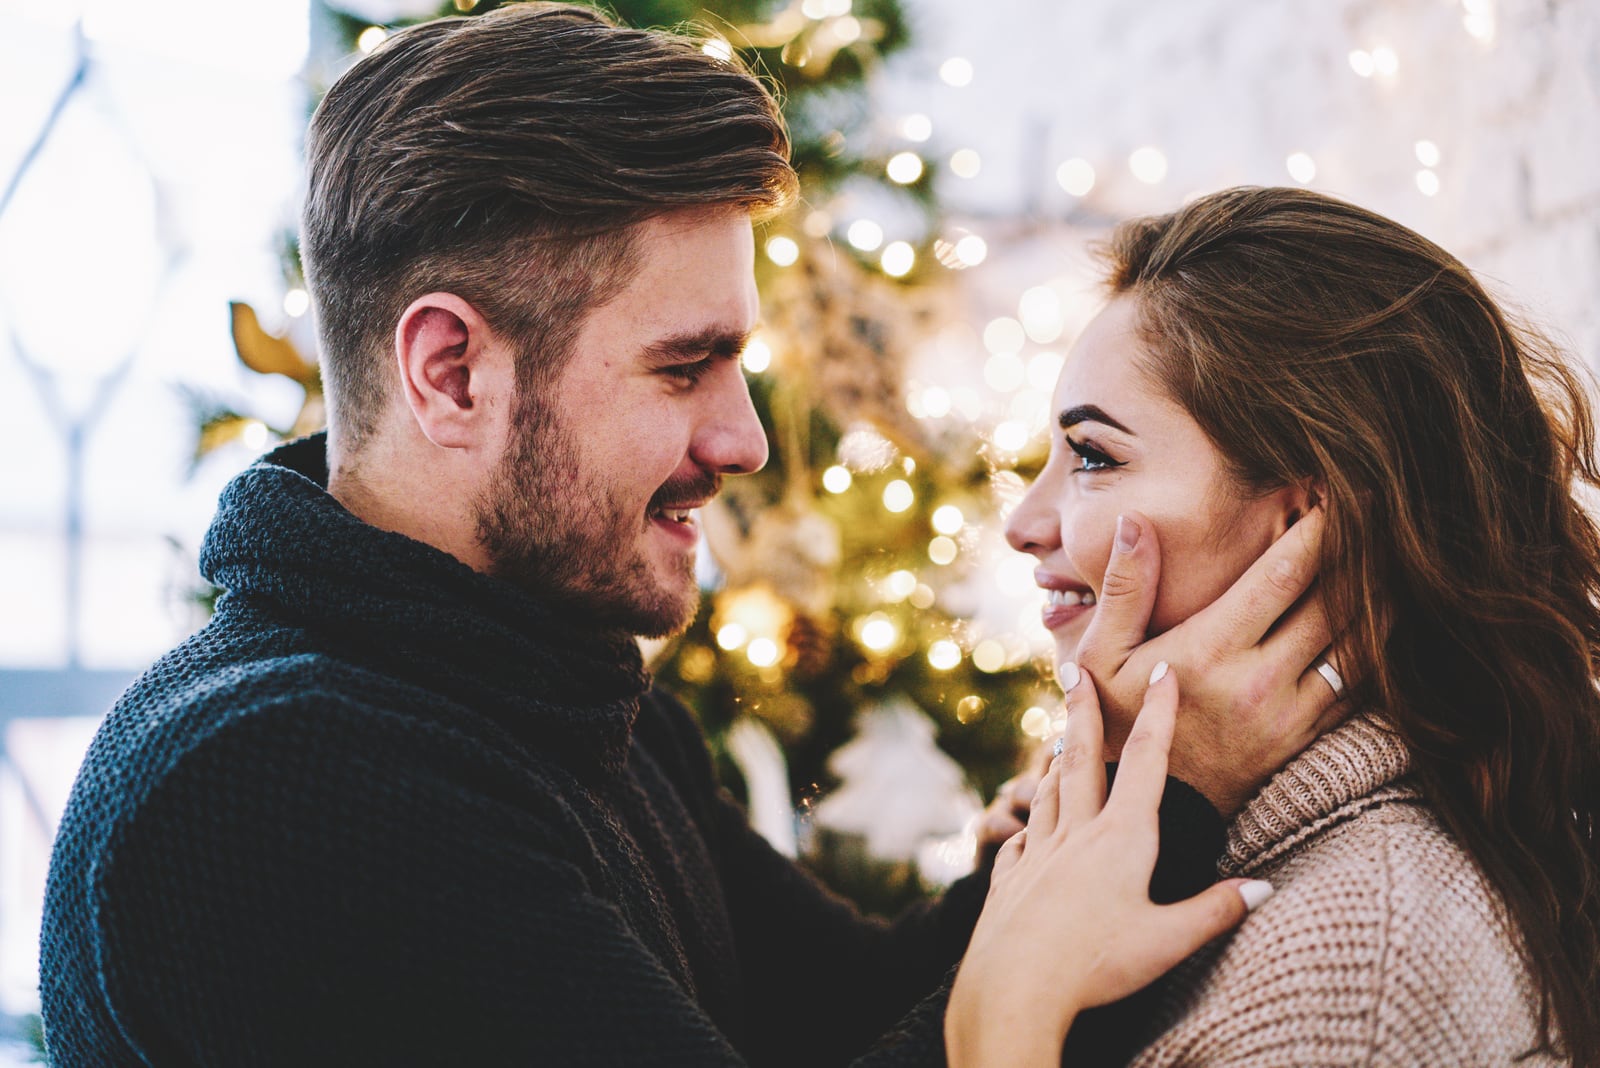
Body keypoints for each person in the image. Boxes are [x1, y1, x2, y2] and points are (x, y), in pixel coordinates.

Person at [39, 7, 1336, 1064]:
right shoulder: (284, 784)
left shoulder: (556, 676)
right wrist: (1164, 809)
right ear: (449, 372)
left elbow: (840, 1010)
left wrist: (1097, 805)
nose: (745, 439)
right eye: (684, 367)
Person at [1006, 185, 1600, 1066]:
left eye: (1094, 456)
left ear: (1301, 525)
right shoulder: (1229, 860)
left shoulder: (1348, 982)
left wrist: (998, 1030)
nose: (1023, 521)